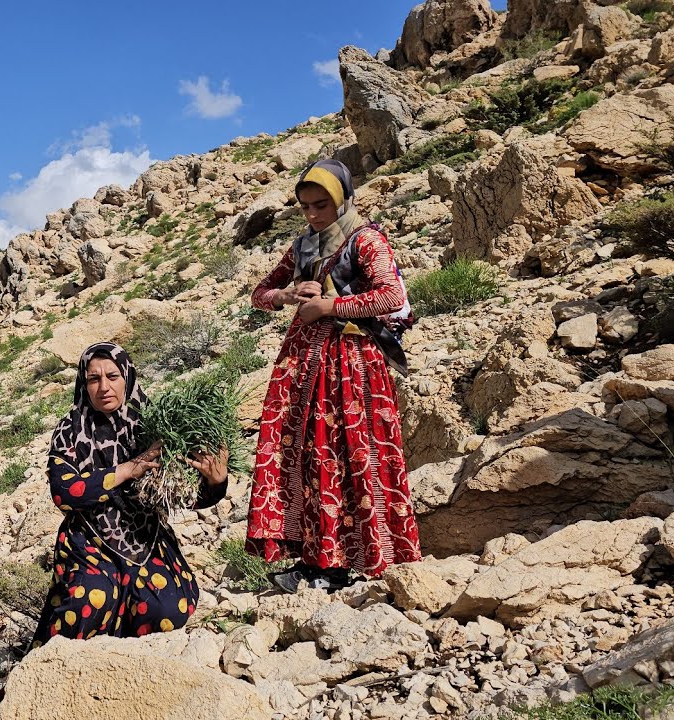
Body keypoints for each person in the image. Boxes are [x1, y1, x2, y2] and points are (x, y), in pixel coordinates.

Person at [246, 159, 420, 593]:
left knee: (349, 455)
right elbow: (259, 294)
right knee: (309, 457)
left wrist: (330, 307)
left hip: (353, 365)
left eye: (321, 205)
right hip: (305, 367)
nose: (312, 215)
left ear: (342, 198)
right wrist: (288, 294)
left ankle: (360, 559)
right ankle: (319, 560)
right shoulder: (304, 246)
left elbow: (392, 295)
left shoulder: (365, 239)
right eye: (304, 206)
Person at [29, 341, 228, 648]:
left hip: (145, 541)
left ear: (128, 377)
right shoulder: (70, 429)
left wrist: (216, 482)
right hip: (88, 544)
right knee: (90, 606)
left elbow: (185, 496)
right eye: (94, 379)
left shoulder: (154, 425)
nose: (104, 386)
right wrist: (126, 470)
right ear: (84, 383)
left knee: (166, 611)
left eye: (112, 376)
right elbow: (64, 493)